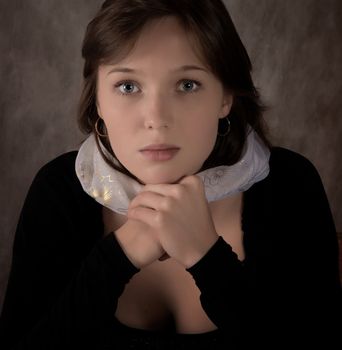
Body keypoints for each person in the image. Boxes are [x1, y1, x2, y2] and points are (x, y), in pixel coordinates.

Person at [0, 0, 341, 348]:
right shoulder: (58, 192)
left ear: (225, 96)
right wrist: (119, 254)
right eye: (128, 86)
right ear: (98, 100)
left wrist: (207, 256)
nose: (156, 118)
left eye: (187, 85)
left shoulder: (290, 185)